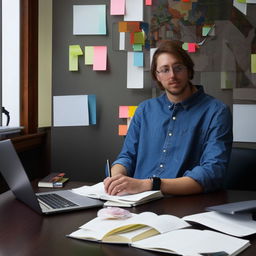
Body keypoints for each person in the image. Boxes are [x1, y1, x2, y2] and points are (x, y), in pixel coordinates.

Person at [104, 40, 233, 196]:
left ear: (189, 70)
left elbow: (212, 173)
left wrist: (149, 185)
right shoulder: (144, 110)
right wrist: (117, 177)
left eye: (178, 68)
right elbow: (127, 156)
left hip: (184, 203)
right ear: (157, 76)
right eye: (164, 70)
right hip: (135, 200)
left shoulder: (216, 112)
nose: (172, 75)